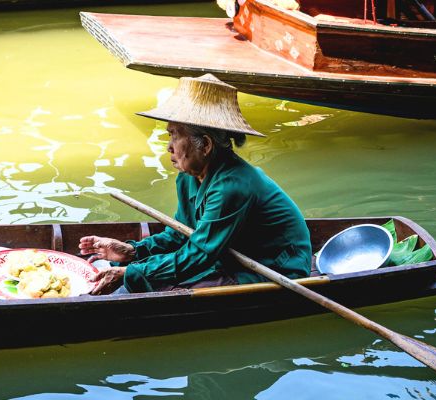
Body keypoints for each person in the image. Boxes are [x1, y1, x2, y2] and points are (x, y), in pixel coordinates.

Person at [80, 74, 311, 295]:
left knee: (155, 287)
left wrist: (131, 271)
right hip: (225, 253)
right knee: (136, 275)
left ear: (206, 145)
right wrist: (133, 252)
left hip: (273, 268)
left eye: (174, 135)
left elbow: (199, 254)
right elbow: (181, 234)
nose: (169, 146)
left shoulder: (232, 186)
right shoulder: (189, 176)